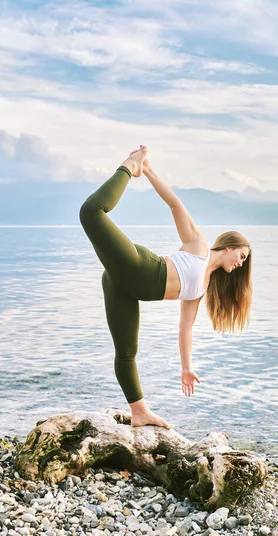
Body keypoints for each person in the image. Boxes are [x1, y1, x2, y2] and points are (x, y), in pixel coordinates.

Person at [80, 145, 252, 429]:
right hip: (140, 266)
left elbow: (185, 328)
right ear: (230, 246)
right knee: (91, 212)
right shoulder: (198, 244)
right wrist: (145, 170)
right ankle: (128, 166)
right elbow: (175, 205)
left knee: (126, 353)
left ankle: (140, 412)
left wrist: (186, 368)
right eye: (242, 256)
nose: (241, 264)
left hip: (124, 287)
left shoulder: (201, 288)